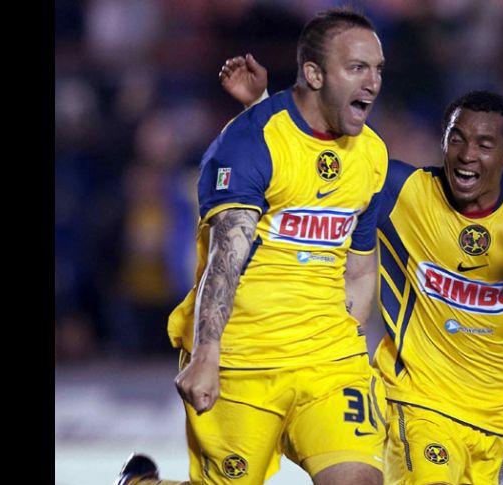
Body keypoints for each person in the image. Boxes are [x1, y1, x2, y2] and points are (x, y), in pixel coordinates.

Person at [220, 58, 503, 485]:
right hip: (416, 404)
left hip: (496, 417)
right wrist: (260, 104)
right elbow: (316, 157)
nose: (467, 155)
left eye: (485, 145)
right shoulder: (404, 192)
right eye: (457, 139)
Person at [115, 8, 388, 485]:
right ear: (314, 73)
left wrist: (350, 349)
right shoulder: (246, 144)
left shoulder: (371, 153)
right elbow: (226, 257)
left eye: (378, 69)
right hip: (245, 361)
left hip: (327, 362)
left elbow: (361, 269)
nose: (372, 83)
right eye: (357, 68)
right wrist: (206, 355)